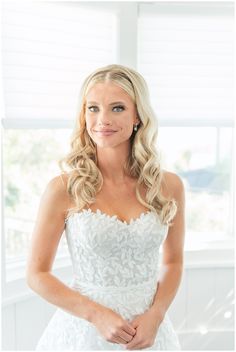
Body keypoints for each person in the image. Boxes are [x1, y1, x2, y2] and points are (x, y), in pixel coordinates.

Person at [26, 63, 185, 350]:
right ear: (83, 115)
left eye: (118, 108)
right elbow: (37, 275)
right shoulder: (63, 189)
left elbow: (173, 262)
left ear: (138, 115)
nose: (103, 120)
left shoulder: (169, 186)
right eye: (93, 108)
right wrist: (95, 315)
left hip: (149, 333)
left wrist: (157, 314)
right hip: (85, 333)